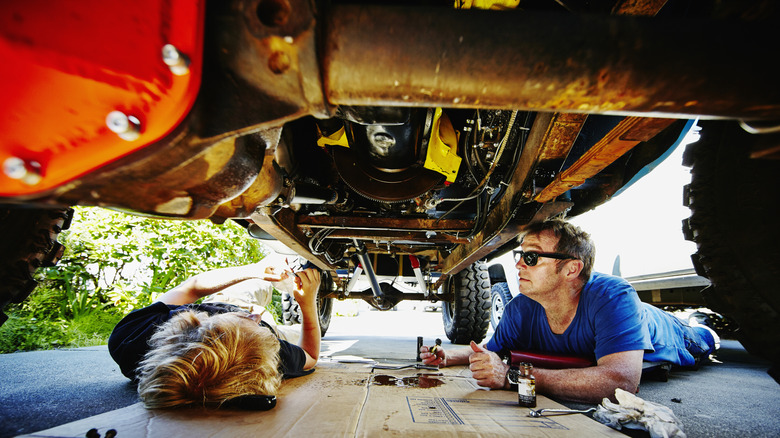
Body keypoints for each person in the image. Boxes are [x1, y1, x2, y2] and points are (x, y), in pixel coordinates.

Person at [421, 219, 719, 404]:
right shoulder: (519, 309)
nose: (518, 265)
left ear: (572, 268)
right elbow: (492, 352)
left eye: (532, 256)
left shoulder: (613, 296)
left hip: (672, 335)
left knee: (704, 339)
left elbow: (622, 382)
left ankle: (707, 325)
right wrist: (451, 357)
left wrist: (513, 377)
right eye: (520, 255)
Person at [108, 259, 321, 409]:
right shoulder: (266, 356)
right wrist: (307, 303)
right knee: (291, 333)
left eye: (247, 319)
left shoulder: (130, 338)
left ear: (195, 324)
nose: (255, 315)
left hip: (220, 304)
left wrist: (254, 270)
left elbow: (192, 287)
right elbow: (310, 354)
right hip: (266, 333)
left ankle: (286, 271)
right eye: (254, 321)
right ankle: (304, 288)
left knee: (262, 275)